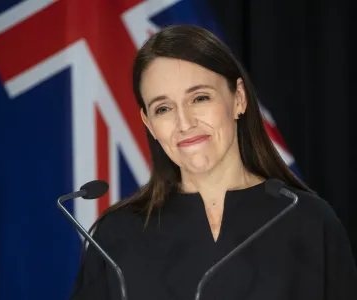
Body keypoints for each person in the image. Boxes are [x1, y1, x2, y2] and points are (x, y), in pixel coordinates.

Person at [70, 24, 357, 300]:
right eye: (164, 108)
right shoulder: (116, 234)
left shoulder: (308, 221)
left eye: (200, 98)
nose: (184, 123)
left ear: (239, 98)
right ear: (149, 123)